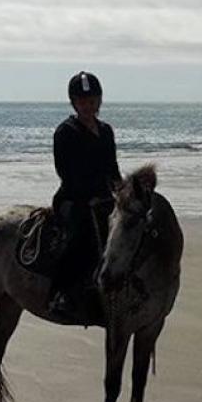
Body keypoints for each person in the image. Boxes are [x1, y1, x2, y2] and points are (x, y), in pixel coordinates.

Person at [48, 71, 121, 319]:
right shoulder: (65, 132)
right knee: (80, 235)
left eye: (92, 101)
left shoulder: (106, 131)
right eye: (82, 101)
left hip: (104, 198)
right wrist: (90, 196)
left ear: (99, 101)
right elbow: (66, 173)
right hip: (74, 198)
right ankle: (62, 293)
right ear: (74, 103)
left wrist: (122, 191)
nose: (88, 106)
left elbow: (113, 168)